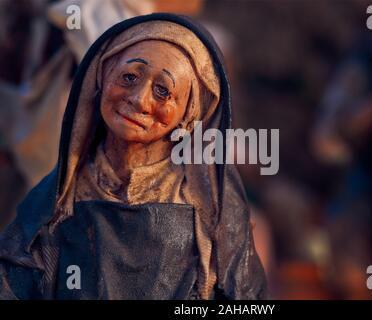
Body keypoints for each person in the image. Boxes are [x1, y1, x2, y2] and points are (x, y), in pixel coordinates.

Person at [0, 13, 267, 300]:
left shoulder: (211, 208)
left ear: (190, 113)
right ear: (101, 77)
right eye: (129, 77)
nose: (139, 99)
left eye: (163, 91)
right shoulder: (56, 199)